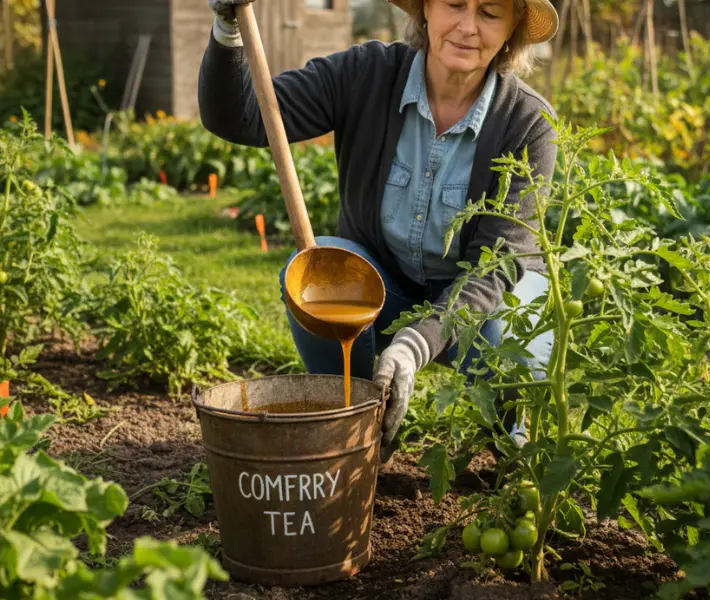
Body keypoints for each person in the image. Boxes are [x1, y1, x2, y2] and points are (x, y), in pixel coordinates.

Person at [199, 0, 559, 461]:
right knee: (318, 269)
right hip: (385, 289)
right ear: (426, 9)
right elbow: (244, 116)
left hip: (482, 304)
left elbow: (494, 268)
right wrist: (228, 29)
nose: (468, 27)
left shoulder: (527, 123)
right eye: (454, 4)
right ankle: (353, 429)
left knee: (513, 335)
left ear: (511, 31)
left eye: (490, 14)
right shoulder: (366, 75)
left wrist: (414, 344)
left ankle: (513, 452)